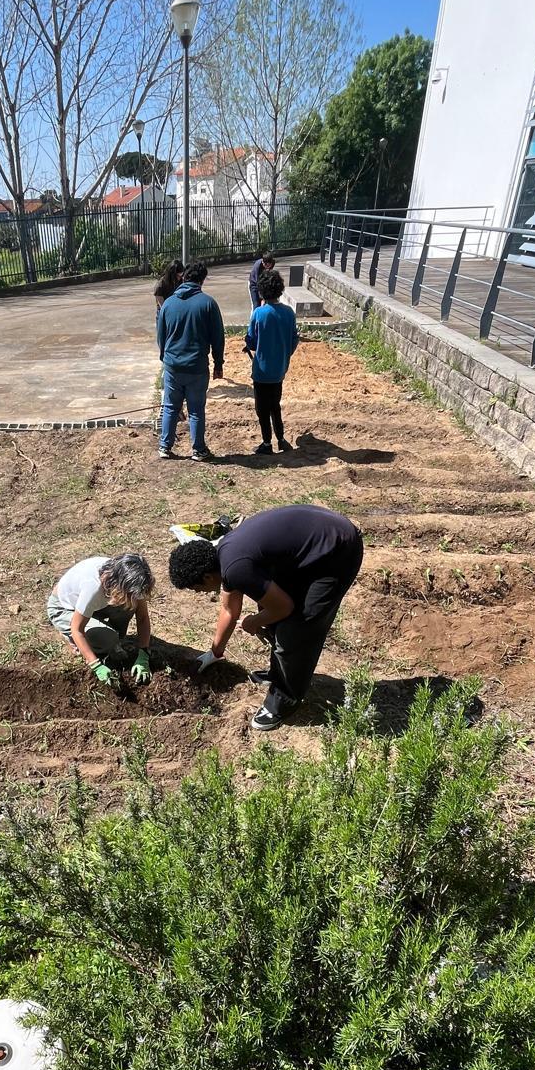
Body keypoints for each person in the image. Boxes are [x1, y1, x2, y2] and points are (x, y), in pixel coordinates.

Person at [168, 505, 363, 732]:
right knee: (268, 609)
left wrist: (254, 622)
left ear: (207, 576)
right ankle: (278, 672)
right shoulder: (224, 557)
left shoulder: (235, 568)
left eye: (197, 589)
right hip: (315, 544)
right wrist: (214, 652)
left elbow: (285, 607)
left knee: (297, 629)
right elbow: (229, 610)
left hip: (337, 552)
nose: (200, 593)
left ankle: (284, 700)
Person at [46, 552, 154, 688]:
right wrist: (95, 665)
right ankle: (69, 635)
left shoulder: (130, 578)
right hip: (64, 609)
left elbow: (142, 616)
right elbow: (77, 629)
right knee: (107, 640)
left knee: (129, 605)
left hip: (92, 606)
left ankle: (101, 629)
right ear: (119, 585)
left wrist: (143, 653)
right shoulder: (93, 587)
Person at [155, 261, 225, 463]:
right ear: (202, 280)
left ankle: (165, 447)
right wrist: (218, 362)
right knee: (195, 410)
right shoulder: (208, 304)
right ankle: (198, 450)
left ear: (184, 277)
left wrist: (165, 359)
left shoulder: (168, 303)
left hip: (172, 366)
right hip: (196, 367)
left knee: (170, 407)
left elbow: (162, 336)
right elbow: (218, 337)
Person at [244, 267, 299, 454]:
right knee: (275, 405)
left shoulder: (259, 313)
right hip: (279, 369)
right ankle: (281, 439)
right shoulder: (289, 313)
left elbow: (251, 341)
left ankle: (267, 443)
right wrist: (284, 354)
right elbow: (294, 340)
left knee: (262, 409)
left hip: (261, 371)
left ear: (262, 291)